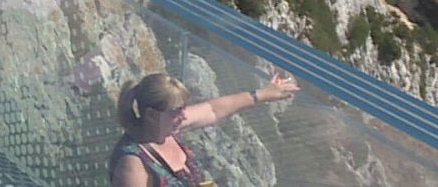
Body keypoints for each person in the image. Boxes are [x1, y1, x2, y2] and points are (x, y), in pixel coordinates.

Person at [109, 71, 298, 187]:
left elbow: (213, 110)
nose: (184, 116)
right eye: (176, 111)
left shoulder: (166, 129)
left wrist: (263, 94)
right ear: (151, 114)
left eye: (184, 108)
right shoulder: (132, 162)